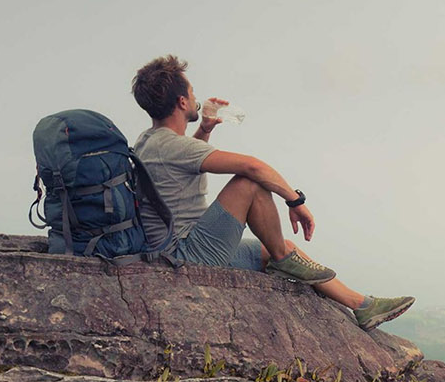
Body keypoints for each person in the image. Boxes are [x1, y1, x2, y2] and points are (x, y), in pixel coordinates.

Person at [129, 54, 413, 331]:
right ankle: (284, 260)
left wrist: (204, 128)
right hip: (185, 254)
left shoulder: (150, 141)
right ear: (181, 102)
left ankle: (362, 305)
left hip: (177, 247)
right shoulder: (172, 147)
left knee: (284, 247)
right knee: (249, 183)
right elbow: (253, 167)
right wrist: (295, 200)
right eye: (191, 93)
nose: (195, 99)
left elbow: (186, 161)